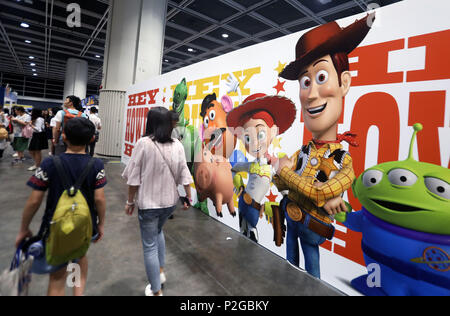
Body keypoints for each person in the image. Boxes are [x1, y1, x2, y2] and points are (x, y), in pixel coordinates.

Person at [271, 15, 374, 279]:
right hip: (292, 220)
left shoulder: (344, 159)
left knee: (312, 275)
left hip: (312, 228)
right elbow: (280, 183)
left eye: (320, 76)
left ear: (344, 83)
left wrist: (286, 173)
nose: (312, 94)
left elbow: (319, 194)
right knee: (288, 270)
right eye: (306, 82)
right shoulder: (303, 151)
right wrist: (280, 174)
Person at [15, 117, 107, 296]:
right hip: (85, 226)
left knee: (57, 279)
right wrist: (101, 223)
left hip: (54, 227)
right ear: (91, 139)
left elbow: (34, 201)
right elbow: (100, 199)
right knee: (78, 256)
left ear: (63, 136)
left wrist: (24, 229)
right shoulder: (96, 164)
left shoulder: (50, 163)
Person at [122, 106, 192, 297]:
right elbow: (184, 172)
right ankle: (160, 273)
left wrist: (130, 202)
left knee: (149, 246)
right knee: (158, 231)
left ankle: (155, 291)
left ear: (150, 122)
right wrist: (188, 195)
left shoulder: (143, 143)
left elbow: (133, 178)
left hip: (149, 204)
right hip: (170, 203)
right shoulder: (177, 144)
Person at [226, 93, 296, 243]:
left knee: (251, 234)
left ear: (274, 132)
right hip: (243, 202)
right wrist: (237, 183)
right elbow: (234, 169)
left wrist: (287, 197)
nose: (255, 144)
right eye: (248, 138)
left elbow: (280, 186)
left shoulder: (271, 169)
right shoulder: (250, 165)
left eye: (261, 134)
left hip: (254, 208)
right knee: (242, 232)